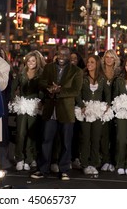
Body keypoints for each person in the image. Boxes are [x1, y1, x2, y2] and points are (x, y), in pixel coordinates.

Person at [31, 46, 83, 181]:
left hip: (66, 111)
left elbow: (75, 90)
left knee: (66, 143)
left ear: (69, 56)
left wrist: (59, 90)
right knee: (46, 141)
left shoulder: (76, 71)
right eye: (60, 54)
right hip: (50, 110)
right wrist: (49, 88)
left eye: (65, 55)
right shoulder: (49, 67)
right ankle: (42, 169)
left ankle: (64, 170)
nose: (61, 57)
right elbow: (41, 83)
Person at [76, 55, 111, 175]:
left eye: (92, 62)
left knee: (96, 138)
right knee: (85, 138)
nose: (89, 64)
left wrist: (107, 105)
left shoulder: (102, 78)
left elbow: (108, 94)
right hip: (85, 111)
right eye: (88, 62)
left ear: (97, 64)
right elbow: (77, 94)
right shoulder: (82, 77)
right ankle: (85, 163)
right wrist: (81, 105)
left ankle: (94, 163)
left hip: (98, 112)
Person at [11, 51, 45, 171]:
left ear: (37, 62)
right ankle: (19, 158)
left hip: (34, 106)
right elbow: (13, 88)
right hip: (22, 105)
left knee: (32, 134)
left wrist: (41, 101)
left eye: (33, 61)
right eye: (29, 60)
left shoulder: (41, 74)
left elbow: (43, 91)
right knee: (20, 133)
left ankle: (29, 159)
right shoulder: (21, 73)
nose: (31, 63)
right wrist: (13, 100)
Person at [100, 49, 120, 172]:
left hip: (116, 107)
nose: (108, 59)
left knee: (114, 135)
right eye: (107, 57)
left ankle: (113, 160)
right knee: (104, 135)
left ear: (115, 60)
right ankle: (105, 160)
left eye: (111, 57)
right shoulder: (100, 72)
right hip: (101, 108)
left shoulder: (119, 73)